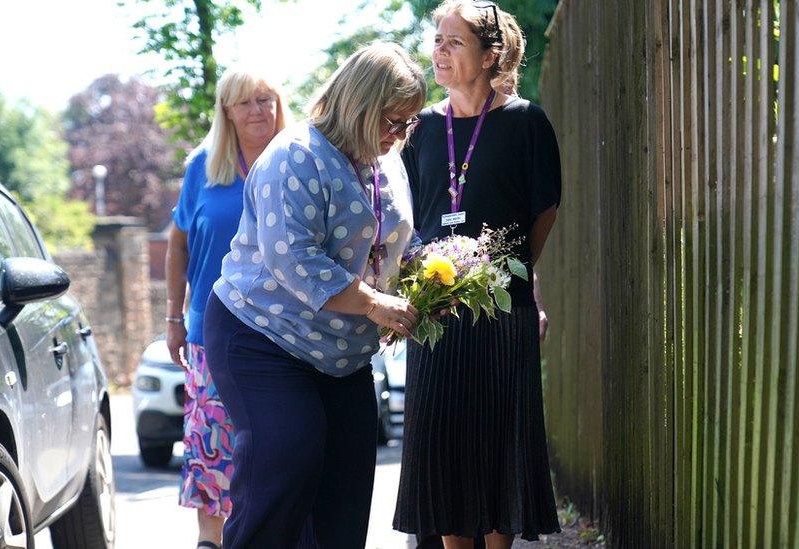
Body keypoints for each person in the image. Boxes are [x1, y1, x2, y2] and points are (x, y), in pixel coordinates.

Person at [201, 42, 427, 548]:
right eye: (394, 120)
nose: (401, 134)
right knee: (287, 463)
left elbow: (387, 244)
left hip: (341, 353)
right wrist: (375, 305)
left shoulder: (384, 160)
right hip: (261, 336)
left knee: (345, 498)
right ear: (361, 104)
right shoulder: (294, 156)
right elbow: (294, 261)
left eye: (409, 123)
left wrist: (423, 283)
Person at [394, 1, 563, 547]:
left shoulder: (525, 123)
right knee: (443, 448)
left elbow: (543, 209)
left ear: (491, 56)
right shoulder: (420, 128)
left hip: (501, 313)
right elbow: (411, 220)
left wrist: (509, 278)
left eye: (454, 42)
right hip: (436, 319)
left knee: (497, 451)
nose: (439, 52)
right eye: (437, 40)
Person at [164, 67, 289, 549]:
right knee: (212, 446)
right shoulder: (203, 166)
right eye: (244, 103)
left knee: (274, 446)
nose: (257, 111)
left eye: (265, 99)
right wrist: (173, 316)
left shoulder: (294, 161)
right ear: (226, 112)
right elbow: (178, 243)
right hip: (210, 333)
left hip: (283, 332)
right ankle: (211, 542)